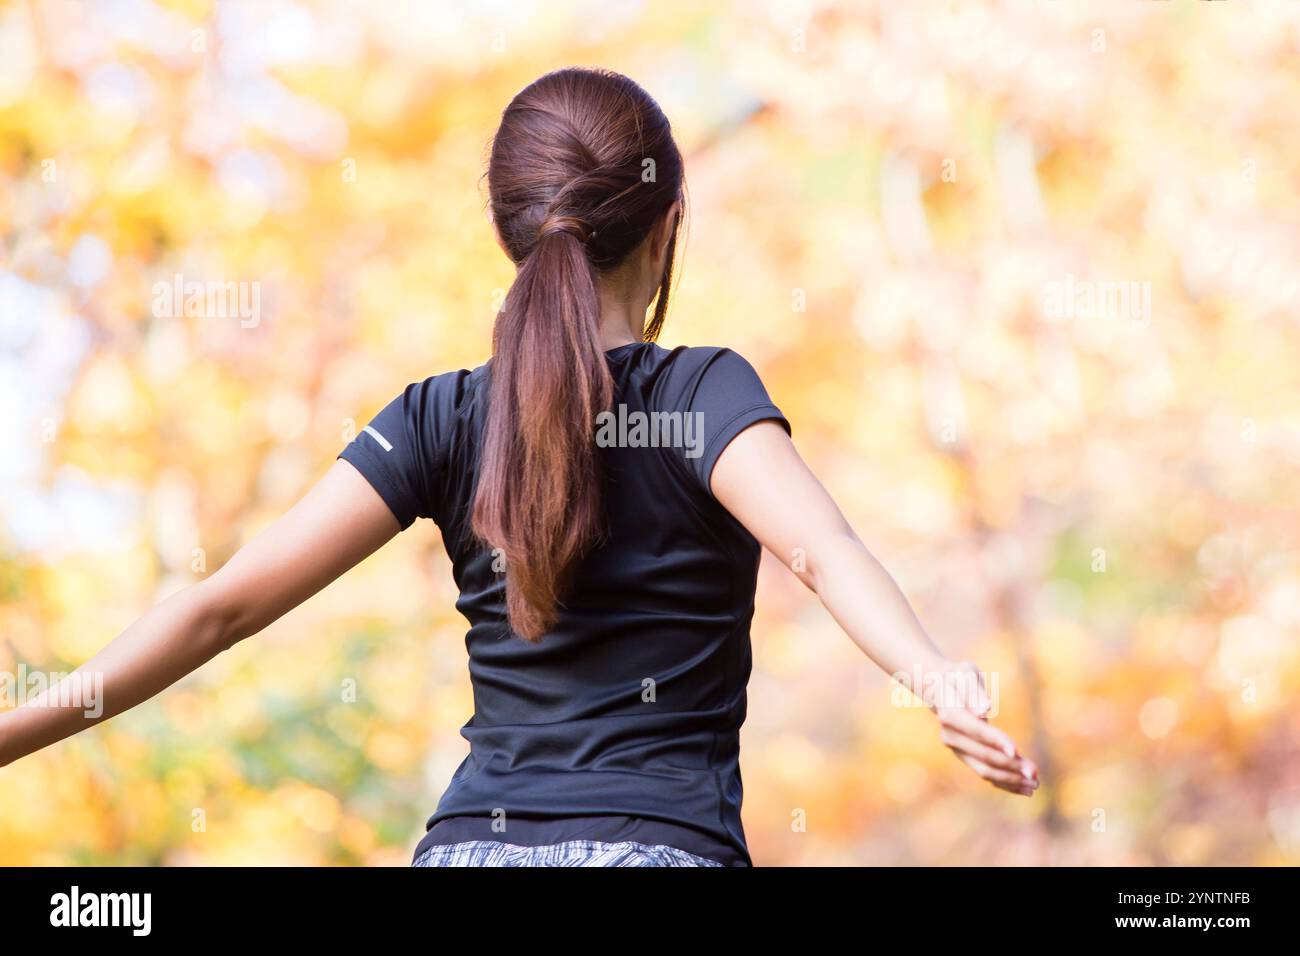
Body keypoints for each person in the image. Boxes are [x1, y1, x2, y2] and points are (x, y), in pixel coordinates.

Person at [0, 67, 1037, 867]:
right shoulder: (702, 394)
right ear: (669, 227)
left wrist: (18, 729)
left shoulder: (439, 417)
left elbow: (220, 607)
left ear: (510, 232)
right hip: (659, 842)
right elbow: (821, 551)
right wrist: (936, 679)